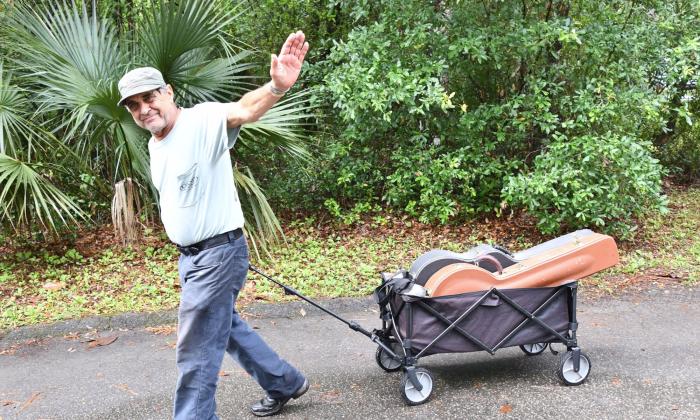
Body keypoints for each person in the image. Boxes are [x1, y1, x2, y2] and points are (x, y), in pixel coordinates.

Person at [116, 32, 310, 419]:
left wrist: (276, 86)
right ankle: (284, 381)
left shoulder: (200, 122)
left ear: (168, 92)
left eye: (149, 97)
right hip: (192, 259)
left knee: (196, 352)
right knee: (225, 330)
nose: (143, 109)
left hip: (218, 254)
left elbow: (243, 110)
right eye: (134, 104)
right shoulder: (157, 143)